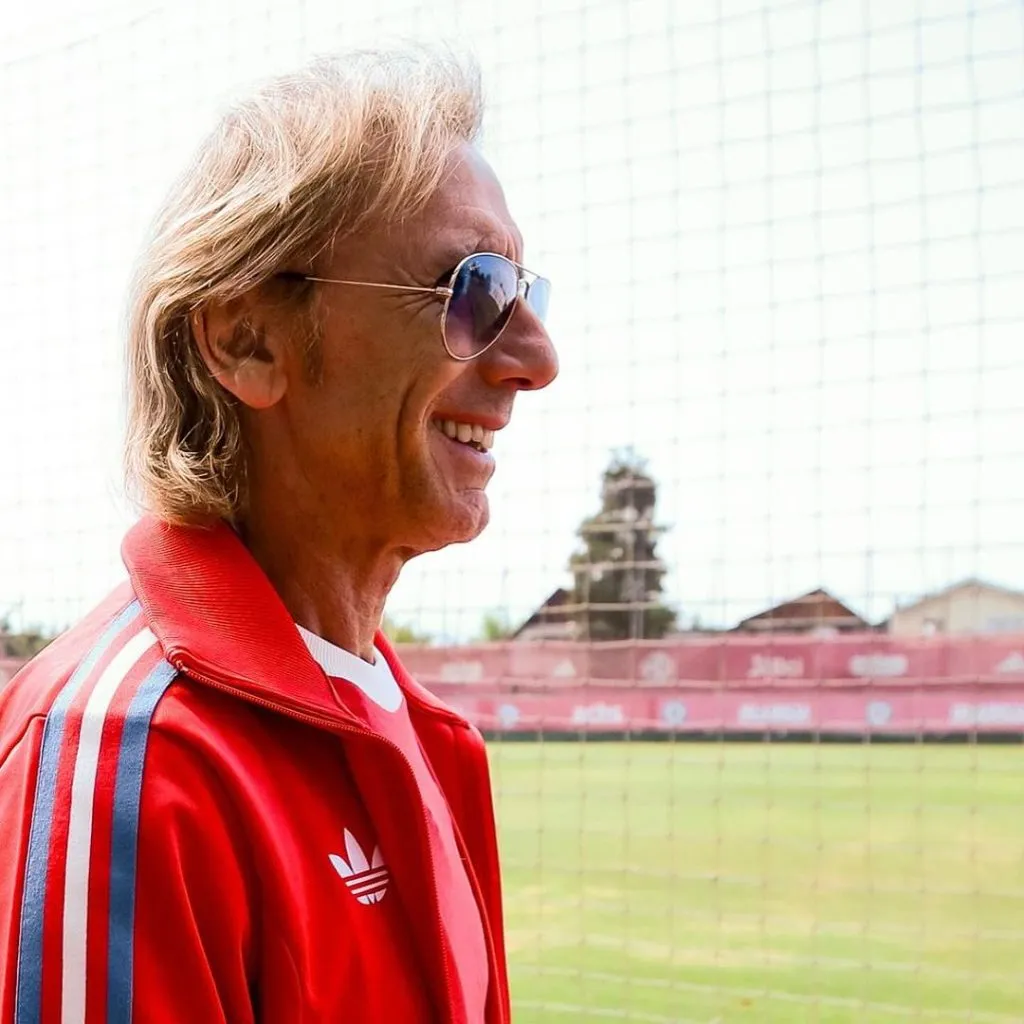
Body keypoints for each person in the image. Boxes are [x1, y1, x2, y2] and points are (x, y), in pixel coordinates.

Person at [0, 50, 557, 1023]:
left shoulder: (423, 735)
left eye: (527, 297)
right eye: (472, 290)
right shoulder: (131, 763)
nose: (536, 359)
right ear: (249, 339)